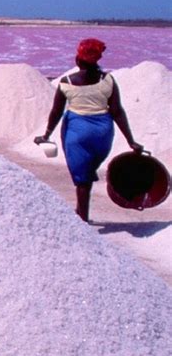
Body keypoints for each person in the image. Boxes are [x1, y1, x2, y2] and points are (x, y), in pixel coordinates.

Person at [34, 38, 143, 222]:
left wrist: (46, 135)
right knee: (89, 167)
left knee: (82, 179)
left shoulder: (67, 82)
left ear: (78, 60)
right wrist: (131, 141)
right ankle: (83, 196)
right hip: (103, 133)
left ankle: (83, 217)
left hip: (78, 133)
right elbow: (117, 111)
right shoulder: (107, 80)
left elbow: (57, 112)